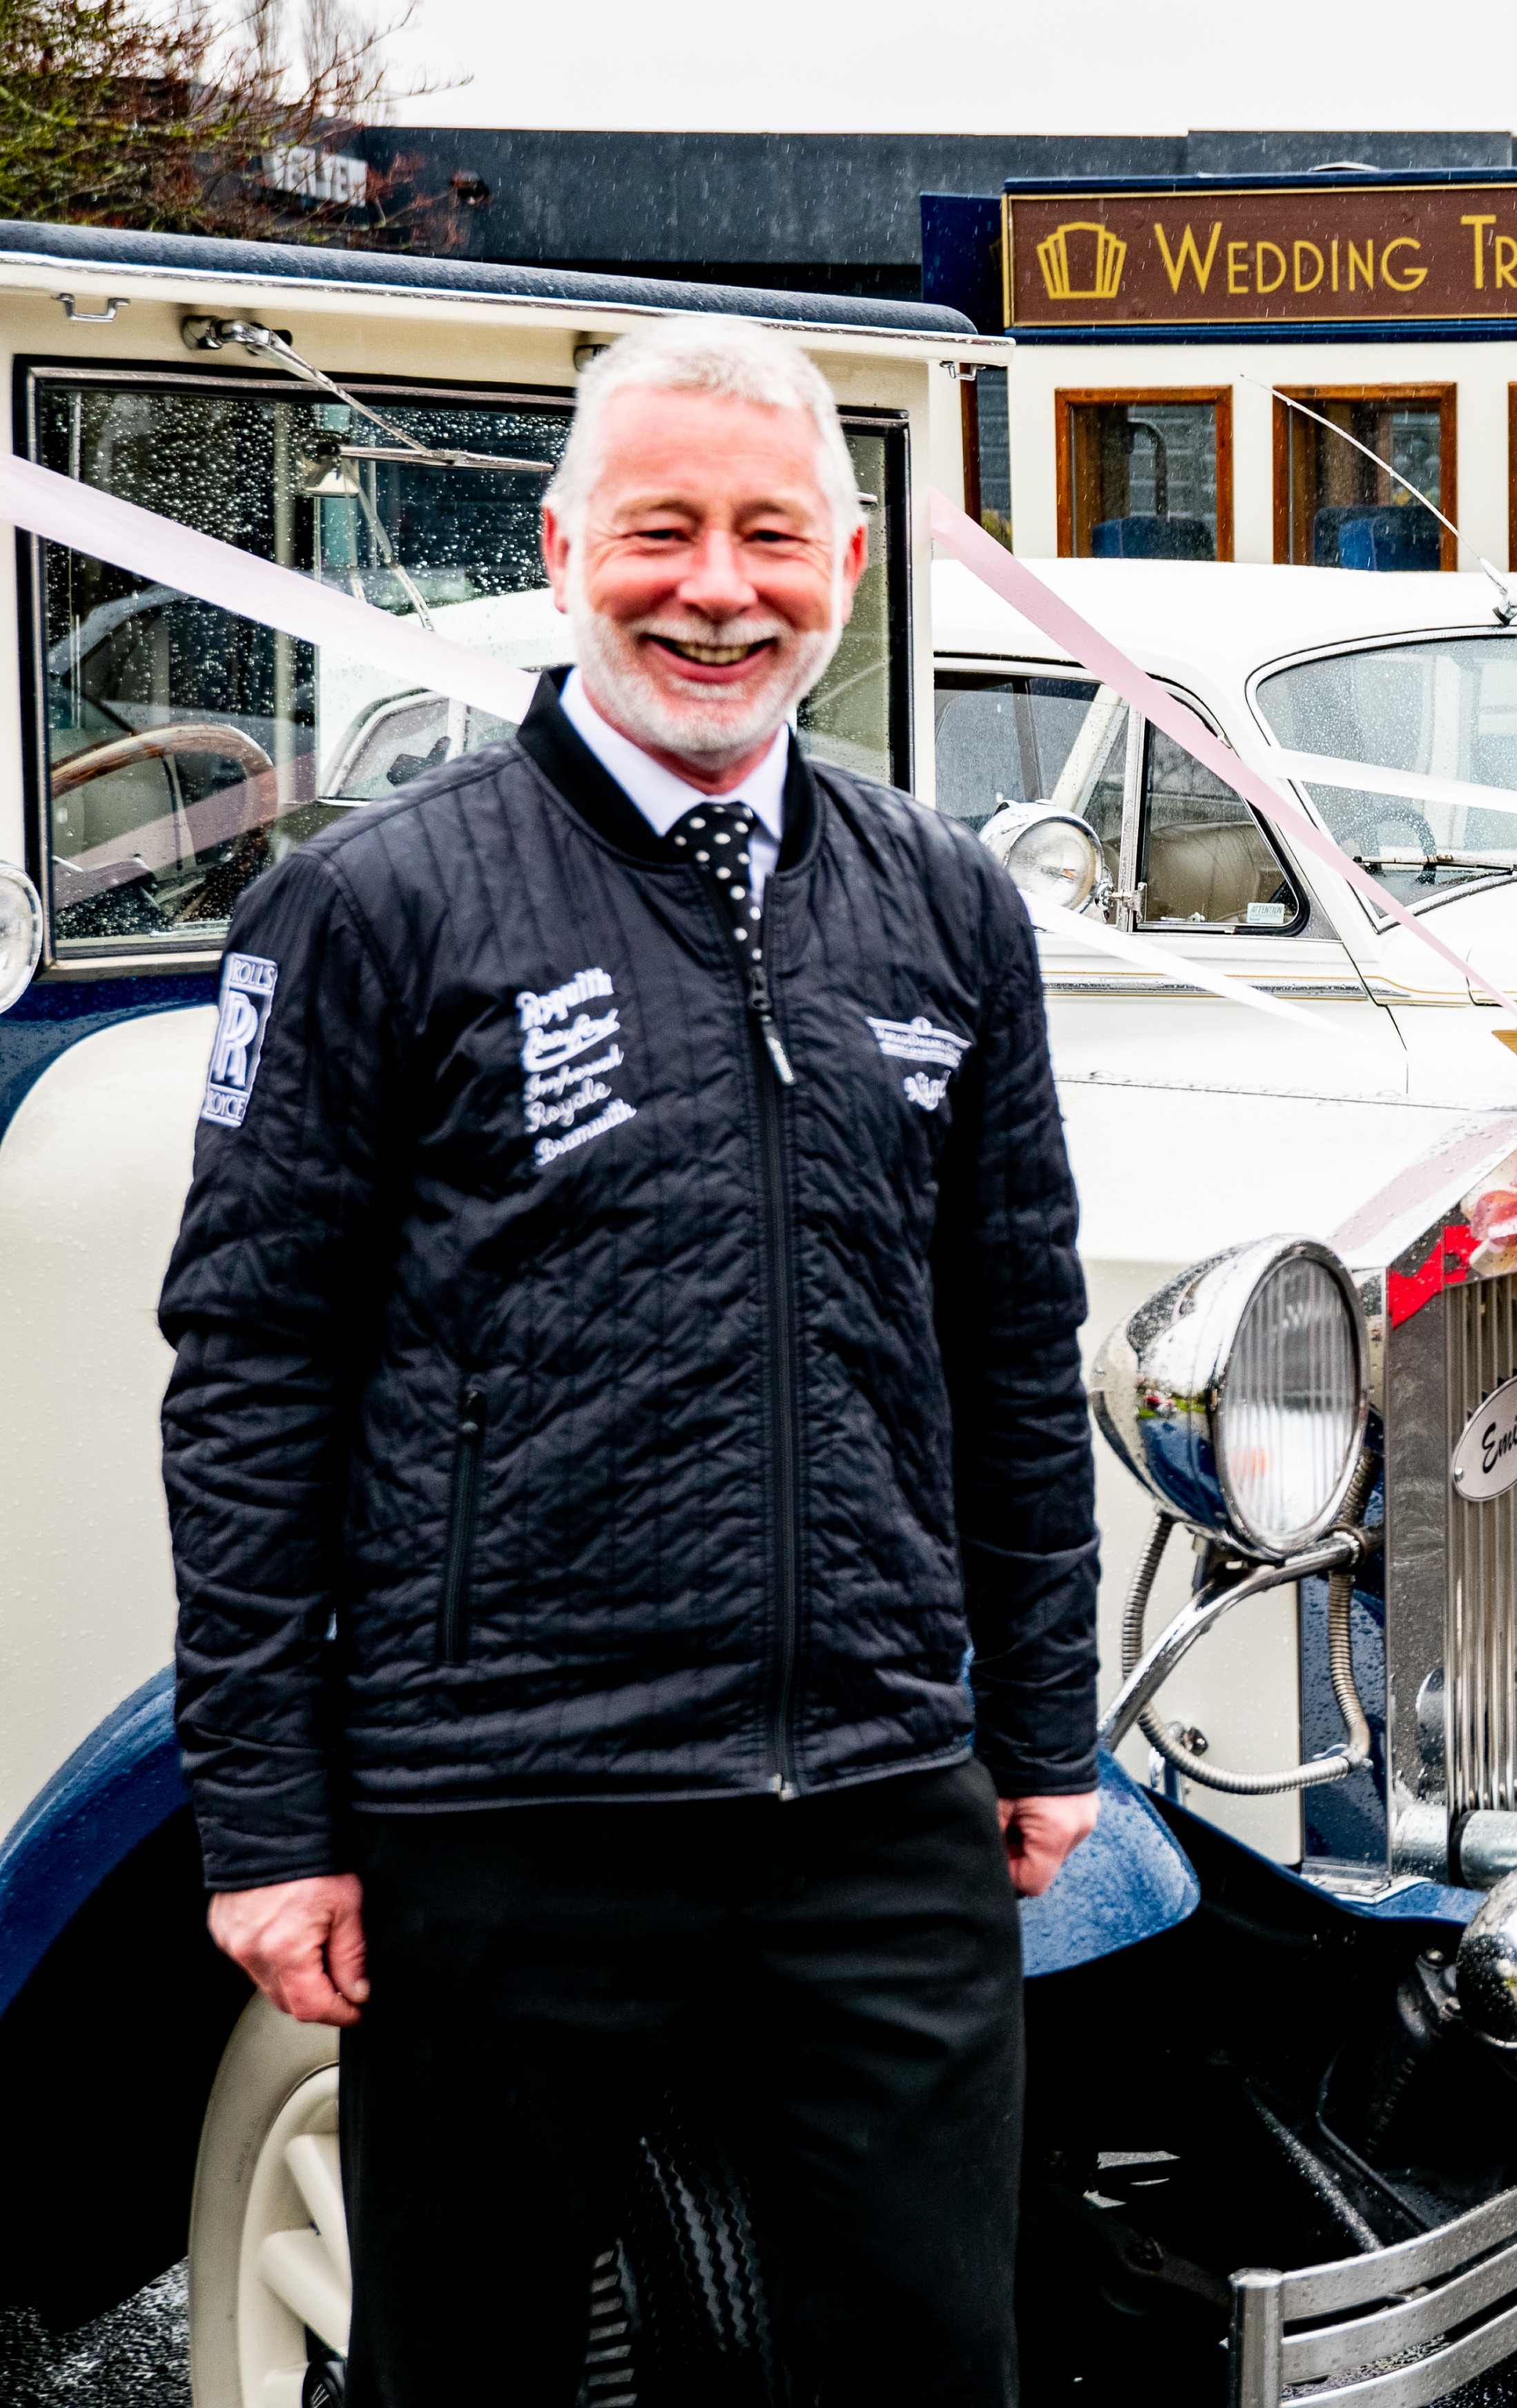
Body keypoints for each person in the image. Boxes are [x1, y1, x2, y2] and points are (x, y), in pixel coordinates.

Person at [157, 317, 1099, 2406]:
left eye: (772, 534)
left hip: (870, 1795)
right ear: (572, 545)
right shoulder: (373, 909)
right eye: (664, 528)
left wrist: (1039, 1726)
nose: (719, 584)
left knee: (933, 2362)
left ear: (846, 567)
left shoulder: (950, 910)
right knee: (475, 2372)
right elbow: (247, 1364)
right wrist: (269, 1811)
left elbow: (1016, 1333)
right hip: (504, 1807)